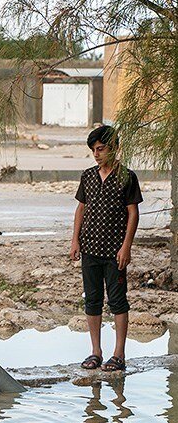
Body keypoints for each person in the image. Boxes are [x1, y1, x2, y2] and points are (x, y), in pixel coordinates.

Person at [72, 125, 142, 372]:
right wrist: (75, 240)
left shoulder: (127, 177)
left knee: (117, 301)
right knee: (92, 300)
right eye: (94, 150)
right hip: (90, 247)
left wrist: (126, 247)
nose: (97, 154)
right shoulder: (88, 176)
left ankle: (119, 354)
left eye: (101, 149)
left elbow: (133, 213)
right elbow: (81, 208)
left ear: (114, 148)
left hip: (115, 251)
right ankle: (95, 352)